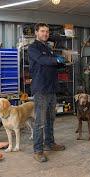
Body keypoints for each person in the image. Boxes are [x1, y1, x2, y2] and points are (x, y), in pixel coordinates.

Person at [28, 23, 66, 162]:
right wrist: (55, 59)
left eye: (47, 32)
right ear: (36, 32)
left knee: (50, 119)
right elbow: (42, 60)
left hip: (51, 89)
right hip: (41, 89)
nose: (45, 34)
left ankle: (49, 143)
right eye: (43, 31)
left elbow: (54, 63)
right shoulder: (33, 48)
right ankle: (38, 150)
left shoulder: (48, 48)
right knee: (40, 121)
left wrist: (63, 61)